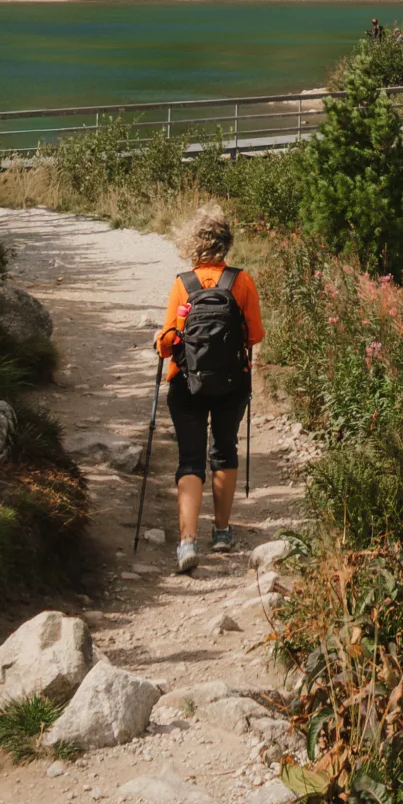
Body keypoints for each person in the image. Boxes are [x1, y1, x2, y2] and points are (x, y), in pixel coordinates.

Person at [154, 205, 264, 575]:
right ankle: (221, 532)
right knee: (224, 449)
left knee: (190, 458)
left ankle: (187, 542)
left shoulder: (182, 284)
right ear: (226, 242)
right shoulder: (241, 281)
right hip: (232, 383)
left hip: (187, 383)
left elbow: (168, 343)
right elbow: (255, 335)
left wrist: (161, 340)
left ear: (193, 243)